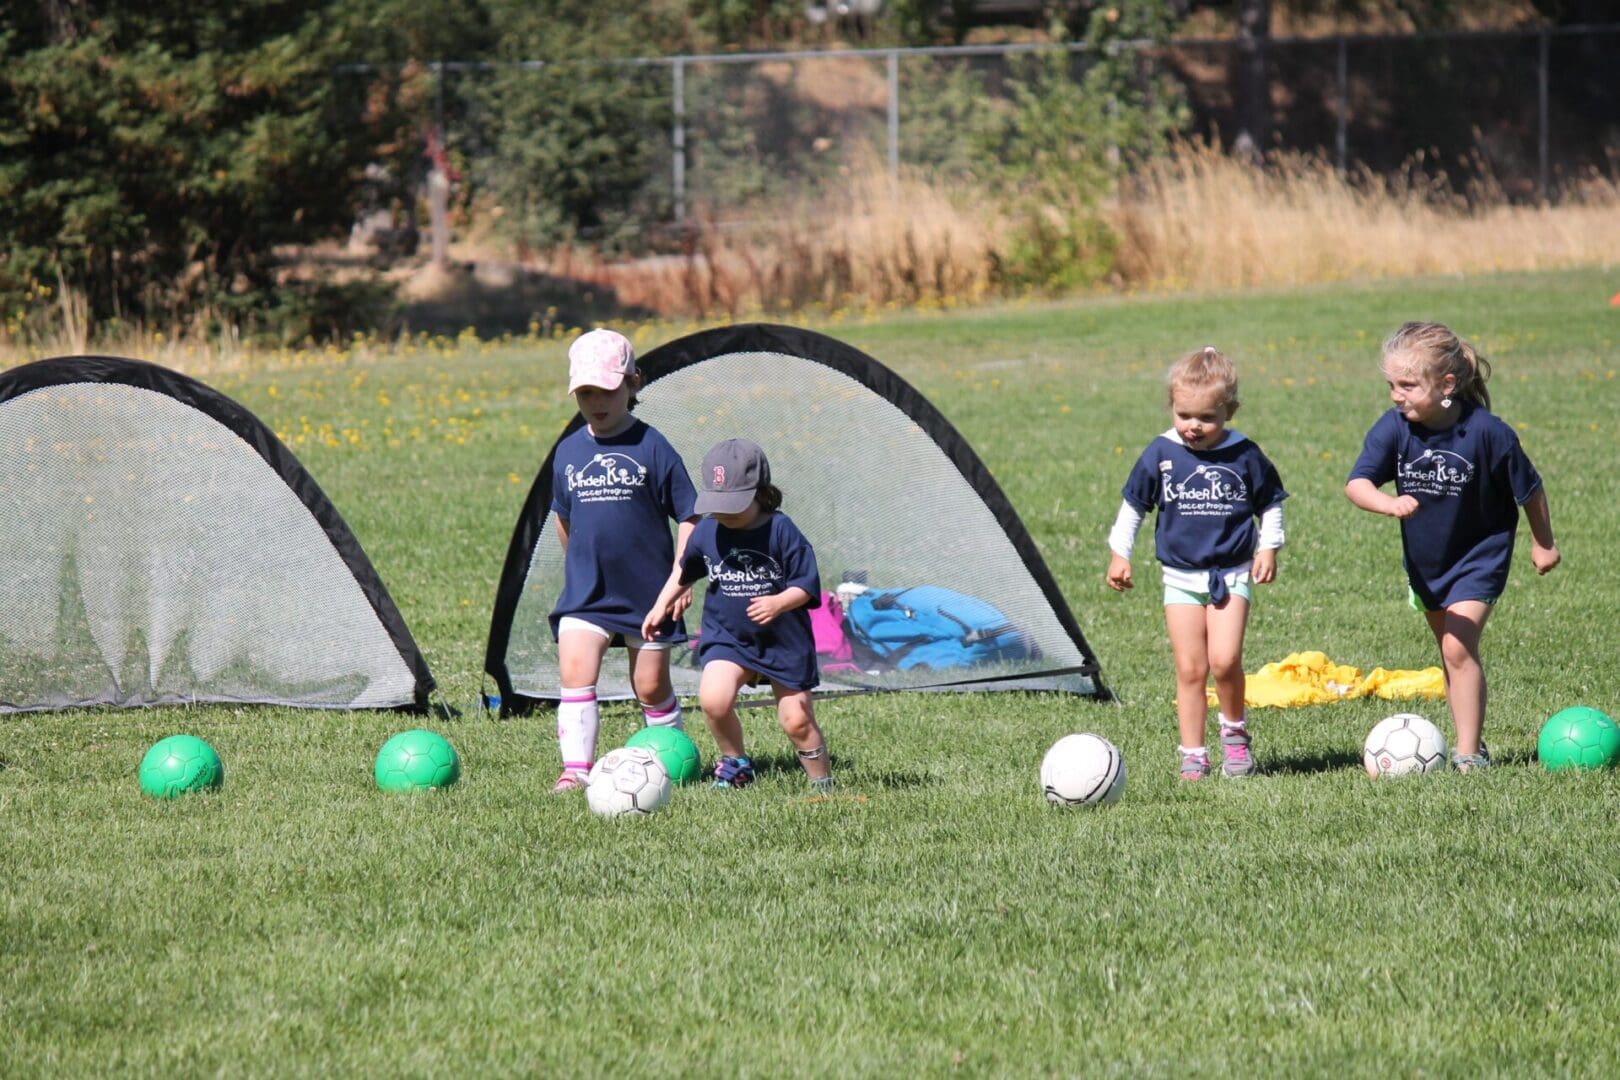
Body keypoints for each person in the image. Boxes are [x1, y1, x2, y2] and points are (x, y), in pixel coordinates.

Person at [1345, 321, 1559, 771]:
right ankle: (1471, 742)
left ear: (1446, 385)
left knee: (1458, 648)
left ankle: (1467, 752)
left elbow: (1531, 491)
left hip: (1479, 557)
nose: (1395, 395)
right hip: (1427, 563)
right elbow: (1358, 483)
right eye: (1391, 384)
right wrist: (1388, 503)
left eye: (1407, 385)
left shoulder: (1488, 433)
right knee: (1450, 652)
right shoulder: (1394, 428)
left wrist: (1544, 544)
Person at [1106, 346, 1288, 780]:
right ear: (1172, 406)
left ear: (1230, 410)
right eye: (1184, 415)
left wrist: (1268, 547)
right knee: (1190, 668)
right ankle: (1193, 753)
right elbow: (1134, 506)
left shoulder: (1244, 453)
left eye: (1206, 418)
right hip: (1180, 577)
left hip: (1232, 572)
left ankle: (1235, 737)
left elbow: (1272, 503)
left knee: (1224, 661)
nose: (1193, 427)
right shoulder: (1161, 453)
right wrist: (1120, 553)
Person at [547, 328, 700, 793]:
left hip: (649, 594)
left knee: (650, 686)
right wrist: (577, 571)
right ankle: (576, 770)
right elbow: (563, 517)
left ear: (633, 383)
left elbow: (691, 516)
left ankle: (671, 757)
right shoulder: (569, 452)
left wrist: (680, 577)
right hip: (588, 592)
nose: (597, 402)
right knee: (575, 669)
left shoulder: (654, 447)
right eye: (586, 392)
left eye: (608, 391)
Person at [642, 438, 832, 793]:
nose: (725, 514)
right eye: (717, 505)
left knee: (796, 719)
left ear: (761, 493)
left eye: (734, 505)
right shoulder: (708, 531)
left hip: (782, 642)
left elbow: (807, 585)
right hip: (728, 636)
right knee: (713, 700)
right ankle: (736, 763)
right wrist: (661, 605)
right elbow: (685, 573)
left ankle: (821, 782)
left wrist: (779, 602)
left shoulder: (781, 529)